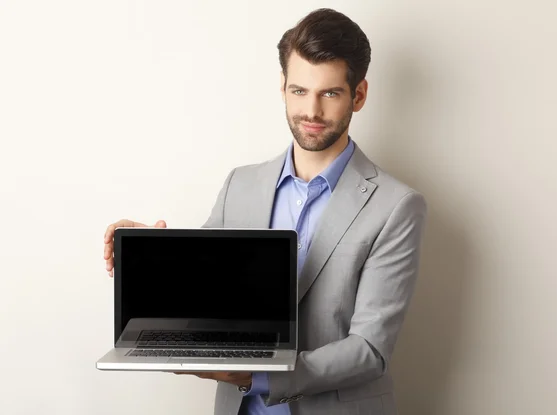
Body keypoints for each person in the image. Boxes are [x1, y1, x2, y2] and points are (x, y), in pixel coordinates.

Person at [103, 8, 427, 415]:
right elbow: (200, 291)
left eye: (329, 93)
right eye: (298, 91)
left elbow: (370, 350)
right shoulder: (241, 183)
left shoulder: (396, 206)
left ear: (358, 95)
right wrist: (146, 251)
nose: (311, 111)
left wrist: (259, 377)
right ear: (282, 86)